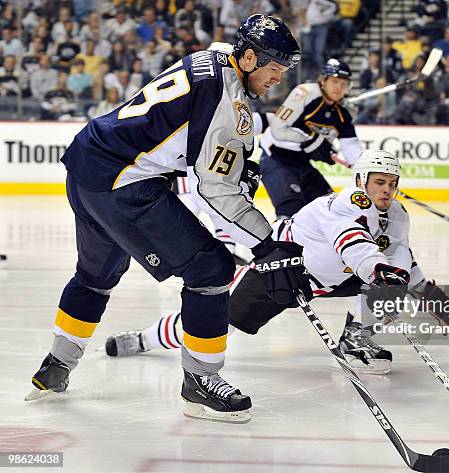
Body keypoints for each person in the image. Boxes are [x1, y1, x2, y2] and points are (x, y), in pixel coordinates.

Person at [25, 14, 311, 425]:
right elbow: (214, 187)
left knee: (95, 275)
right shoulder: (228, 102)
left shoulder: (208, 60)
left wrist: (239, 164)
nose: (277, 80)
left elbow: (179, 137)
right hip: (122, 182)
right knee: (212, 268)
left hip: (87, 161)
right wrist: (267, 245)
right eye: (273, 69)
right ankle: (200, 383)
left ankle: (55, 366)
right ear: (248, 58)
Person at [105, 150, 449, 375]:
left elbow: (398, 253)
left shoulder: (396, 213)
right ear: (360, 182)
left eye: (391, 183)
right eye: (378, 182)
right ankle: (144, 339)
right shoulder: (343, 205)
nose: (386, 190)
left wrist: (422, 290)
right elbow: (351, 243)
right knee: (217, 320)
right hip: (282, 270)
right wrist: (380, 270)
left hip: (331, 278)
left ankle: (356, 338)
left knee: (387, 280)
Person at [259, 58, 362, 219]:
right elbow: (278, 129)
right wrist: (313, 141)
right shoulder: (306, 93)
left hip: (302, 164)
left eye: (343, 84)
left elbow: (350, 145)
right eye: (335, 82)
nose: (339, 87)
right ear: (323, 80)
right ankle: (280, 244)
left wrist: (363, 168)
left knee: (332, 211)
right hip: (276, 160)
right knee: (291, 213)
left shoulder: (342, 113)